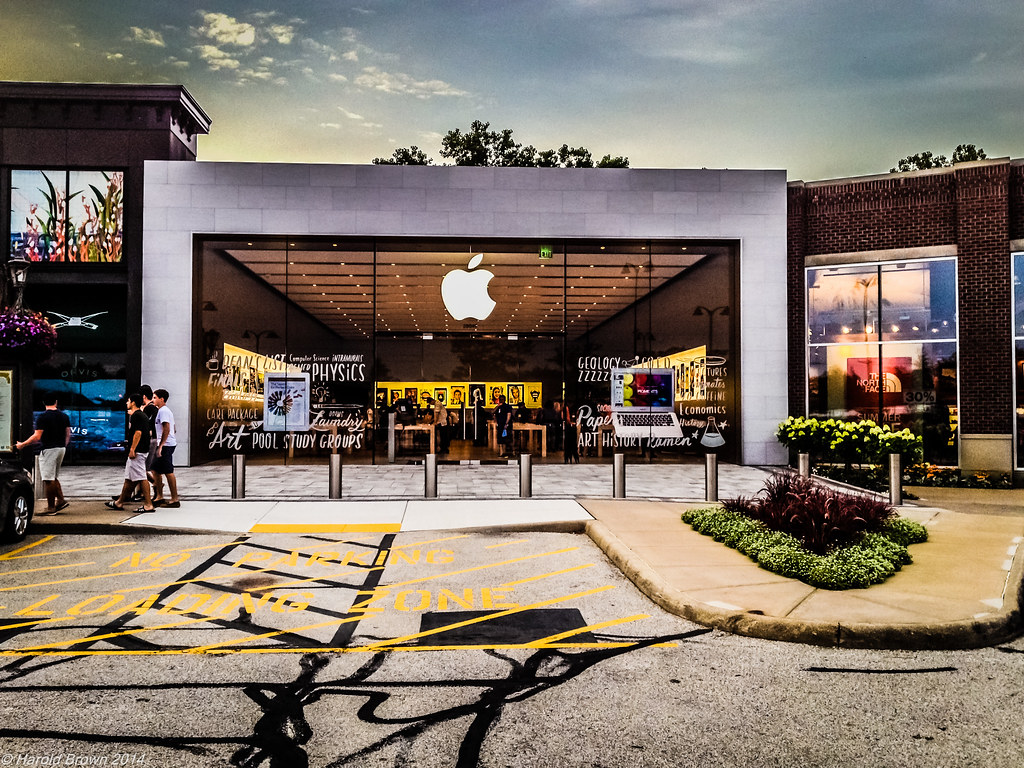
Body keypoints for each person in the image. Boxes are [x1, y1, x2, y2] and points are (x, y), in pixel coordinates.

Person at [16, 394, 71, 514]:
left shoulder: (43, 417)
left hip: (49, 449)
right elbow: (68, 434)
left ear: (43, 403)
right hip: (61, 448)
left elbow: (37, 436)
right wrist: (63, 446)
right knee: (53, 476)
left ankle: (51, 507)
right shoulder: (64, 416)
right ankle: (61, 500)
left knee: (48, 479)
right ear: (56, 402)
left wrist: (22, 444)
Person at [105, 393, 155, 513]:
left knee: (142, 477)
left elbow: (138, 433)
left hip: (138, 452)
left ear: (133, 402)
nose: (127, 403)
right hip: (141, 450)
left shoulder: (136, 415)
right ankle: (119, 502)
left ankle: (148, 504)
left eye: (128, 401)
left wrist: (132, 449)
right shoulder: (142, 415)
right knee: (129, 478)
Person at [151, 388, 180, 508]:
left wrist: (161, 445)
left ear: (162, 399)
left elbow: (167, 428)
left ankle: (174, 499)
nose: (153, 400)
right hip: (165, 443)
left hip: (166, 445)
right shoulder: (163, 411)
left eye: (155, 398)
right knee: (155, 469)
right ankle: (159, 496)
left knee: (168, 471)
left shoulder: (163, 411)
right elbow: (174, 428)